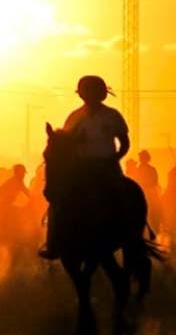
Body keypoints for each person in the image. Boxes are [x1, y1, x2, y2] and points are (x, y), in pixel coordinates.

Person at [41, 75, 129, 260]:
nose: (89, 96)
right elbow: (65, 144)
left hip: (107, 167)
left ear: (102, 93)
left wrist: (114, 159)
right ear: (81, 94)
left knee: (125, 196)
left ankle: (131, 234)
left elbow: (125, 143)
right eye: (86, 92)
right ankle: (53, 243)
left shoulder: (112, 116)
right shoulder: (74, 117)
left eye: (93, 91)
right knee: (58, 200)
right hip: (80, 168)